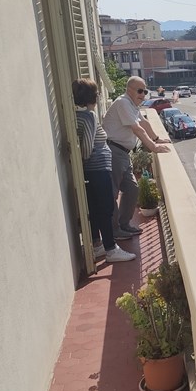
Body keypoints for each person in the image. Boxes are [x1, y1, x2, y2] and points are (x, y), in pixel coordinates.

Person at [73, 79, 136, 263]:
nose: (99, 95)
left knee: (95, 209)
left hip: (92, 170)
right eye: (97, 93)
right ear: (92, 96)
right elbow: (87, 146)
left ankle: (97, 245)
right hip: (98, 169)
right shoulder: (89, 116)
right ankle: (111, 249)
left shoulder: (77, 115)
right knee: (106, 208)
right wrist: (87, 159)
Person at [102, 76, 171, 240]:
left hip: (123, 153)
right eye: (140, 91)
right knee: (112, 194)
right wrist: (153, 148)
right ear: (129, 90)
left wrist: (156, 139)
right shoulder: (123, 103)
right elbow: (137, 129)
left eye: (145, 91)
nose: (143, 95)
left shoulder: (132, 105)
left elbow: (144, 123)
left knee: (132, 189)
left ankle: (124, 224)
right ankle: (114, 231)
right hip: (114, 151)